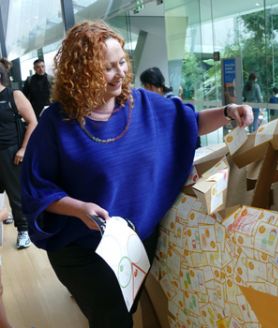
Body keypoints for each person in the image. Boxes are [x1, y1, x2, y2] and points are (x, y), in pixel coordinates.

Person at [20, 21, 252, 327]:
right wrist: (78, 208)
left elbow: (189, 123)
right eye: (107, 68)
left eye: (122, 63)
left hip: (134, 244)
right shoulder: (56, 124)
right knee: (113, 319)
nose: (120, 73)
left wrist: (227, 112)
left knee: (123, 313)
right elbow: (37, 187)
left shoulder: (143, 105)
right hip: (81, 247)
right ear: (81, 72)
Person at [0, 58, 37, 249]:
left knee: (16, 195)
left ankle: (24, 231)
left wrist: (23, 149)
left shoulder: (14, 95)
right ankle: (4, 217)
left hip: (11, 152)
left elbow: (32, 122)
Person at [140, 66, 201, 148]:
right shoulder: (162, 100)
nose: (146, 90)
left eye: (146, 86)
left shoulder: (172, 102)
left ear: (153, 85)